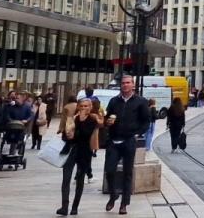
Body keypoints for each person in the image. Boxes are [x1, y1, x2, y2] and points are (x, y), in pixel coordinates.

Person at [104, 76, 156, 215]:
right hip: (114, 140)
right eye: (123, 83)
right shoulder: (114, 101)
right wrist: (107, 122)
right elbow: (107, 117)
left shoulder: (140, 101)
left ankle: (124, 204)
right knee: (109, 170)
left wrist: (137, 134)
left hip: (129, 141)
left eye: (128, 83)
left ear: (133, 85)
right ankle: (113, 195)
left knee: (127, 172)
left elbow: (146, 121)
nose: (125, 85)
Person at [59, 98, 103, 215]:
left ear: (90, 107)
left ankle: (75, 206)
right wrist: (68, 133)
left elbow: (85, 133)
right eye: (81, 106)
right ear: (78, 107)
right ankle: (64, 206)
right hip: (71, 150)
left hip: (84, 151)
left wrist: (80, 123)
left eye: (86, 106)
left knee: (80, 178)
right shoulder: (73, 118)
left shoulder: (92, 119)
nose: (83, 108)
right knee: (66, 178)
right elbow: (66, 134)